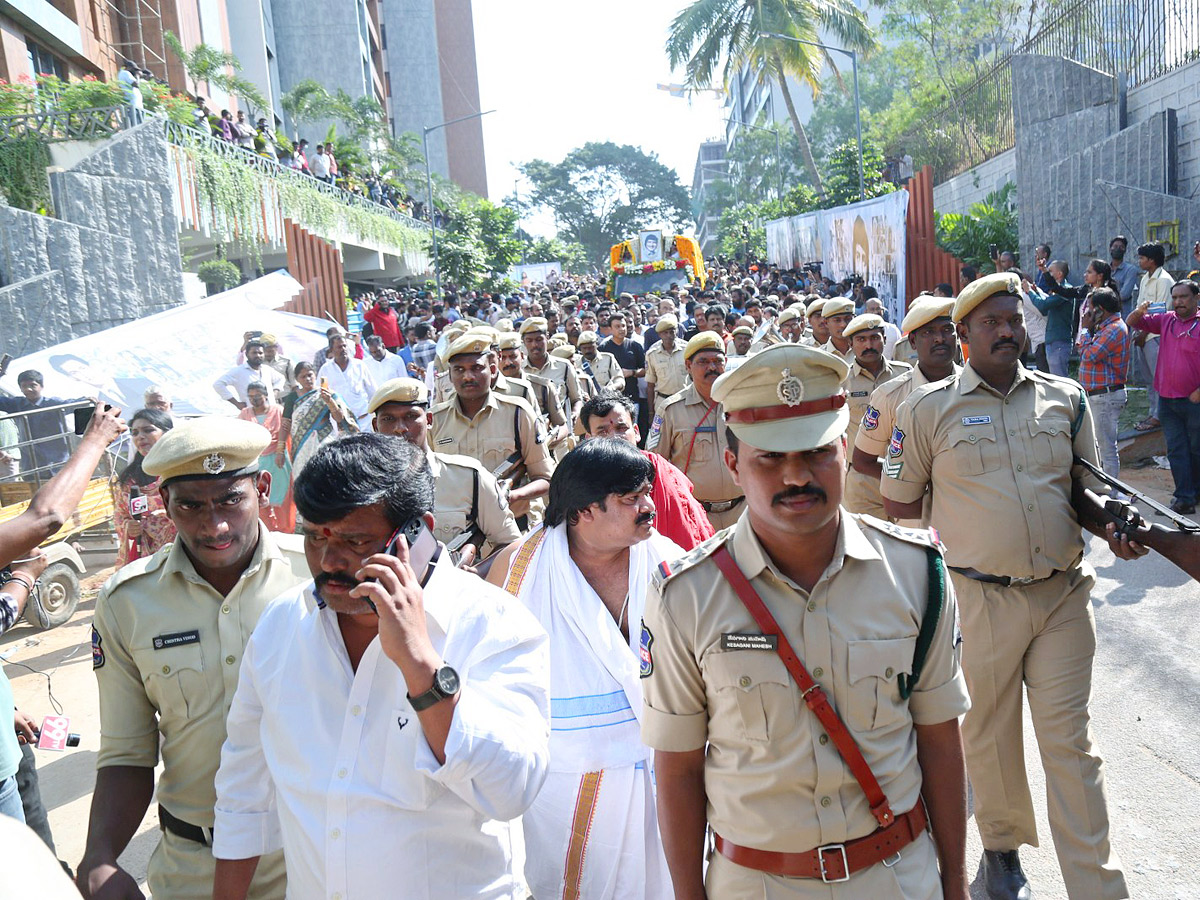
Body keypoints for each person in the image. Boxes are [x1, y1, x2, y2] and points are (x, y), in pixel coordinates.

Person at [642, 342, 972, 899]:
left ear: (843, 450)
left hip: (896, 879)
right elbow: (677, 768)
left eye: (816, 452)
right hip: (758, 885)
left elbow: (939, 738)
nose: (796, 476)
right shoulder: (686, 596)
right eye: (770, 457)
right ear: (733, 465)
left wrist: (956, 884)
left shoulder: (917, 573)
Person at [882, 272, 1141, 900]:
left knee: (1070, 744)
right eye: (990, 322)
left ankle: (1097, 886)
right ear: (962, 335)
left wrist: (1111, 523)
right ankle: (1001, 851)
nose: (1006, 330)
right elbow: (897, 507)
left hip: (1061, 597)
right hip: (977, 599)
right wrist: (922, 600)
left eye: (1013, 319)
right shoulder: (924, 410)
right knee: (989, 737)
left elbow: (1082, 488)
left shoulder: (1065, 396)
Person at [210, 434, 551, 899]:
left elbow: (512, 790)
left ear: (417, 531)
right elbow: (241, 790)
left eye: (355, 540)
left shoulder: (493, 625)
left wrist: (421, 666)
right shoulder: (280, 627)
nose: (329, 560)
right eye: (313, 536)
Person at [79, 418, 306, 900]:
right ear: (165, 504)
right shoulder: (128, 602)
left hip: (311, 854)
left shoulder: (315, 576)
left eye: (230, 499)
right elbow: (127, 750)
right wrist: (100, 855)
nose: (215, 525)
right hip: (194, 868)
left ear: (261, 488)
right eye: (191, 505)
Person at [489, 439, 678, 898]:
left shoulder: (673, 562)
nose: (649, 506)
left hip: (667, 768)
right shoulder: (517, 568)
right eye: (631, 499)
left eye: (647, 493)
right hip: (565, 780)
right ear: (581, 513)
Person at [369, 377, 519, 564]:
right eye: (389, 419)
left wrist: (476, 574)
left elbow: (511, 544)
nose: (400, 428)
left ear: (429, 420)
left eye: (410, 416)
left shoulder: (468, 477)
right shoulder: (365, 489)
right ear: (376, 426)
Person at [853, 297, 959, 527]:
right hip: (916, 525)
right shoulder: (890, 395)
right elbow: (863, 460)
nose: (940, 338)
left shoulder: (978, 389)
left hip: (973, 523)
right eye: (929, 332)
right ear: (912, 341)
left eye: (947, 330)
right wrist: (908, 484)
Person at [431, 334, 556, 525]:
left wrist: (511, 494)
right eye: (459, 369)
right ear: (449, 375)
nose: (468, 376)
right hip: (456, 535)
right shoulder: (435, 420)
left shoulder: (518, 413)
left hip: (514, 526)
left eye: (476, 368)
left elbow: (546, 479)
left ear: (492, 370)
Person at [579, 391, 714, 550]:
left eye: (621, 428)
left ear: (636, 432)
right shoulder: (581, 481)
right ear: (589, 439)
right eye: (602, 432)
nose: (614, 437)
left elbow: (686, 536)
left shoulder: (661, 473)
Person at [647, 333, 743, 531]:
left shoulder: (742, 402)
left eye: (718, 361)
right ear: (688, 366)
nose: (712, 367)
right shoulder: (671, 410)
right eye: (703, 362)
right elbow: (656, 465)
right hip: (694, 514)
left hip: (742, 511)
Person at [1128, 279, 1200, 514]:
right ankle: (1184, 499)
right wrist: (1140, 310)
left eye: (1184, 297)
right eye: (1175, 297)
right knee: (1177, 449)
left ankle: (1193, 493)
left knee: (1196, 449)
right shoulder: (1167, 320)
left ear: (1196, 298)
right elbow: (1132, 322)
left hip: (1194, 401)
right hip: (1167, 400)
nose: (1178, 302)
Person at [840, 314, 911, 518]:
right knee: (867, 543)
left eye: (874, 337)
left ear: (885, 340)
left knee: (906, 543)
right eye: (861, 340)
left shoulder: (905, 374)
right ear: (850, 344)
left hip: (903, 473)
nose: (869, 344)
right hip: (861, 480)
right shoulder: (843, 381)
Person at [110, 408, 175, 568]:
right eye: (135, 432)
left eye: (148, 430)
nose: (140, 436)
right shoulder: (130, 479)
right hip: (146, 557)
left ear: (166, 433)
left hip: (183, 550)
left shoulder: (180, 470)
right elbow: (120, 516)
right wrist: (129, 527)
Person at [1077, 287, 1130, 482]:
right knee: (1100, 446)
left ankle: (1112, 494)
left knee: (1106, 449)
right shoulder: (1105, 327)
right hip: (1099, 396)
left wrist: (1084, 329)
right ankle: (1106, 491)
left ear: (1100, 309)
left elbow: (1089, 355)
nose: (1087, 314)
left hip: (1105, 397)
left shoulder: (1114, 328)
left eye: (1090, 309)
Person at [276, 361, 358, 485]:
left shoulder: (327, 394)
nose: (308, 379)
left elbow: (340, 419)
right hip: (300, 447)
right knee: (304, 482)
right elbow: (285, 425)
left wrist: (330, 402)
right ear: (297, 379)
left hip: (324, 441)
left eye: (310, 375)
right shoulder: (292, 398)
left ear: (315, 375)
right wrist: (280, 451)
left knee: (327, 477)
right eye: (303, 377)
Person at [1130, 241, 1176, 432]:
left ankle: (1161, 416)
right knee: (1149, 379)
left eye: (1142, 258)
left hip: (1156, 337)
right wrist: (1138, 332)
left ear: (1151, 260)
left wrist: (1144, 333)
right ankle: (1154, 412)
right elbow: (1140, 308)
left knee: (1159, 378)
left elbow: (1163, 313)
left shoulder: (1164, 280)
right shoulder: (1145, 279)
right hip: (1142, 335)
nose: (1139, 261)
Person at [0, 371, 80, 480]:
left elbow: (71, 404)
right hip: (31, 461)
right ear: (20, 388)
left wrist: (88, 400)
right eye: (24, 386)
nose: (28, 389)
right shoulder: (17, 404)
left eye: (33, 385)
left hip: (56, 460)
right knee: (35, 491)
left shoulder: (52, 404)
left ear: (41, 386)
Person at [238, 382, 293, 532]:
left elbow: (287, 432)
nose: (254, 400)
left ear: (266, 395)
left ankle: (286, 531)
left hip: (278, 460)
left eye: (257, 396)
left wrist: (280, 452)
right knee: (259, 498)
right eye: (250, 397)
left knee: (282, 499)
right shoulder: (245, 414)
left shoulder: (278, 411)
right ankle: (266, 533)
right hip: (255, 462)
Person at [318, 333, 378, 430]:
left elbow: (373, 392)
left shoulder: (359, 365)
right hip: (341, 425)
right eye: (339, 347)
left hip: (364, 422)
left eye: (344, 346)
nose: (343, 349)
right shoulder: (325, 370)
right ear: (332, 350)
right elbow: (320, 396)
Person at [213, 340, 285, 410]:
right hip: (251, 413)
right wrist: (237, 403)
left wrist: (275, 392)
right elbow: (218, 384)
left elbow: (281, 378)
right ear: (247, 354)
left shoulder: (266, 369)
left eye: (260, 353)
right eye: (254, 353)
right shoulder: (239, 371)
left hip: (270, 411)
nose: (258, 355)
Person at [645, 315, 686, 416]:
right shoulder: (652, 354)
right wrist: (650, 412)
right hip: (662, 402)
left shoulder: (687, 349)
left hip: (685, 400)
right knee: (660, 430)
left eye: (672, 331)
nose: (669, 335)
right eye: (665, 332)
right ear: (659, 334)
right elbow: (650, 385)